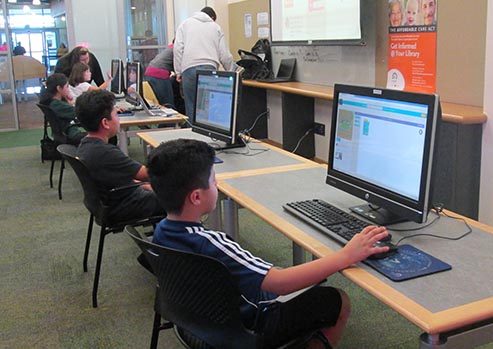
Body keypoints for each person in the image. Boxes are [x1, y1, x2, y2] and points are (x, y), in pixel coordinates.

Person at [147, 139, 390, 349]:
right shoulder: (212, 243)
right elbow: (280, 284)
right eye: (213, 180)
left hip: (197, 321)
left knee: (300, 277)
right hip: (248, 328)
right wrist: (346, 255)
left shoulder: (161, 231)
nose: (217, 184)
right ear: (196, 197)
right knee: (337, 299)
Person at [75, 90, 165, 222]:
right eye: (116, 114)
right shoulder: (106, 152)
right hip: (121, 207)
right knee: (178, 196)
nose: (119, 118)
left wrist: (143, 185)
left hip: (108, 203)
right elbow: (146, 174)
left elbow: (124, 178)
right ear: (105, 123)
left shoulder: (86, 145)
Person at [174, 6, 237, 119]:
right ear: (212, 17)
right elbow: (224, 54)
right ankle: (207, 135)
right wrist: (231, 71)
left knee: (191, 107)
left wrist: (178, 71)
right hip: (209, 69)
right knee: (208, 110)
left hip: (189, 69)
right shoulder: (215, 27)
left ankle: (192, 133)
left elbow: (178, 49)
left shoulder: (185, 24)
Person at [39, 73, 86, 145]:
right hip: (72, 134)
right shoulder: (58, 105)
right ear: (59, 88)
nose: (69, 89)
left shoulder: (52, 102)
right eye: (67, 86)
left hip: (64, 134)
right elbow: (80, 113)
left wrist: (68, 100)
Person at [144, 43, 175, 107]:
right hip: (159, 75)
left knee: (158, 103)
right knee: (167, 104)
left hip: (149, 72)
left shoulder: (170, 48)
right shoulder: (177, 49)